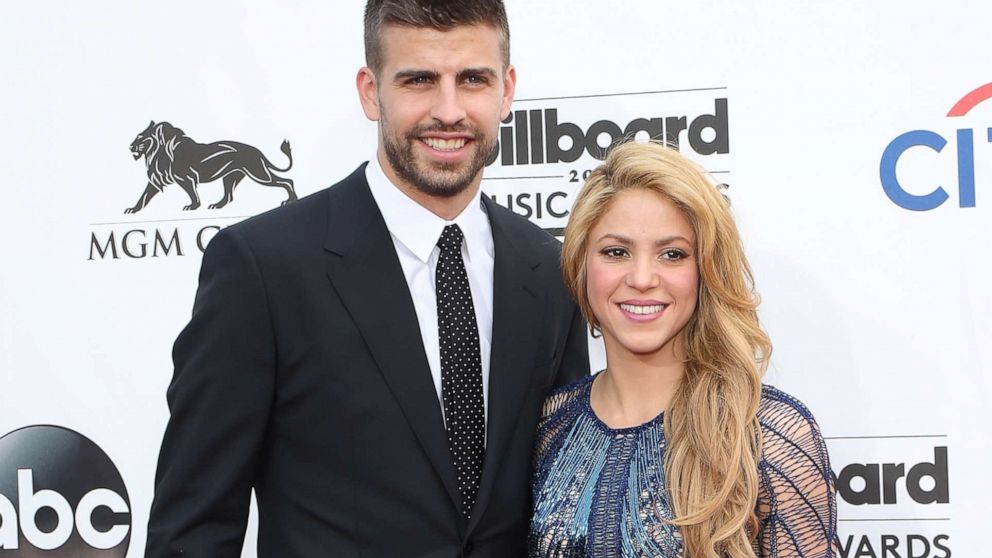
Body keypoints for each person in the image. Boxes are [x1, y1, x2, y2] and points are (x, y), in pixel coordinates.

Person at [145, 1, 589, 556]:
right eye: (419, 80)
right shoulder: (263, 268)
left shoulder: (550, 269)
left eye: (472, 79)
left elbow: (569, 491)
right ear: (369, 90)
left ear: (506, 91)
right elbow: (193, 528)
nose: (448, 111)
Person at [529, 141, 836, 557]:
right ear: (582, 266)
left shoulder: (766, 433)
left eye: (672, 254)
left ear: (704, 270)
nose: (641, 278)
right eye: (616, 252)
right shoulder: (548, 426)